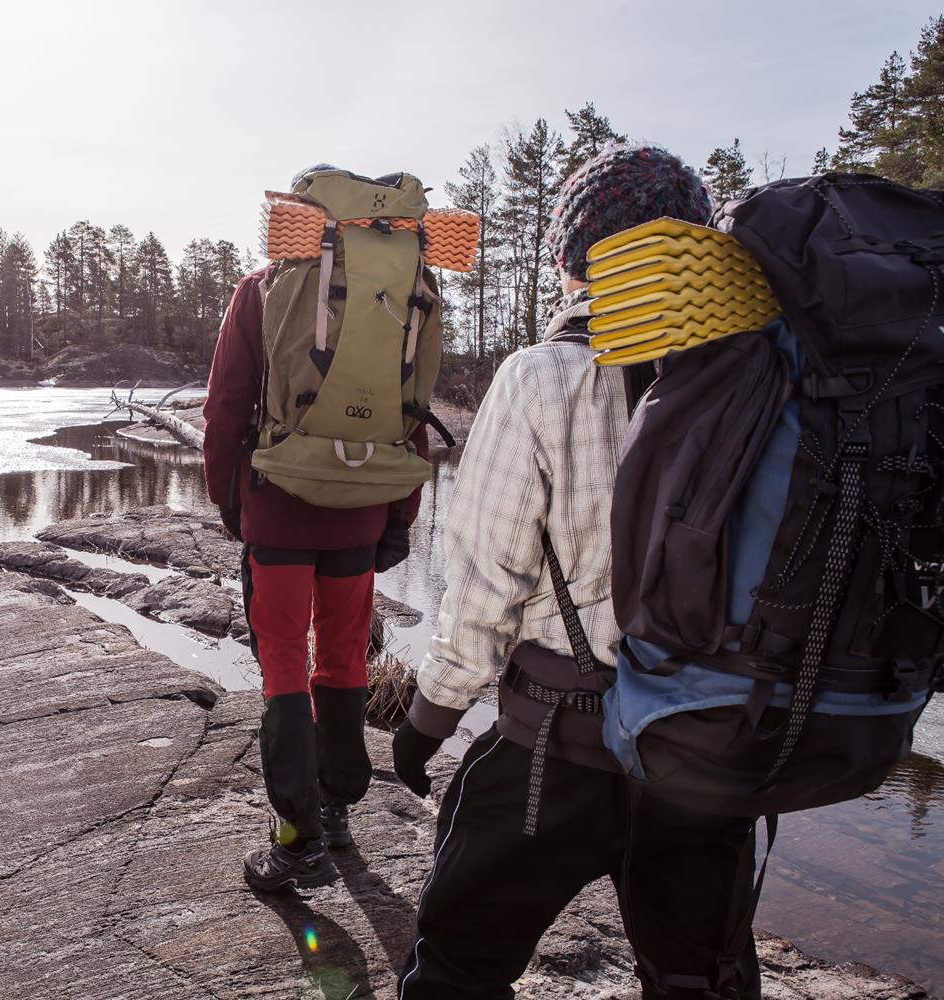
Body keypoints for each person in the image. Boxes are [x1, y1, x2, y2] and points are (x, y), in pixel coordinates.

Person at [390, 145, 763, 999]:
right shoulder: (756, 376)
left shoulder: (541, 377)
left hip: (556, 746)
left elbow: (487, 581)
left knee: (456, 970)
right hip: (707, 753)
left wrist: (430, 715)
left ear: (569, 262)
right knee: (698, 980)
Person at [204, 166, 431, 891]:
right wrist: (398, 513)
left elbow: (225, 408)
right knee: (344, 663)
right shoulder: (406, 290)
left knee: (283, 673)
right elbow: (411, 410)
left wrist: (230, 501)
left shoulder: (265, 286)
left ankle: (297, 841)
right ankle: (338, 809)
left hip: (277, 507)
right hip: (361, 512)